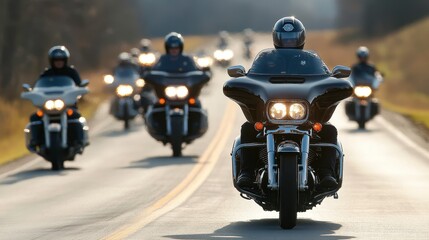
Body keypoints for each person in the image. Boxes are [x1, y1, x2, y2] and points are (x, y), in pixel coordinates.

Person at [236, 17, 339, 190]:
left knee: (328, 130)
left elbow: (326, 77)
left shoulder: (311, 60)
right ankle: (247, 173)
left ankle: (326, 173)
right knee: (249, 128)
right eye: (284, 37)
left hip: (306, 119)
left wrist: (335, 78)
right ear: (277, 38)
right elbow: (251, 77)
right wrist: (242, 77)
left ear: (300, 38)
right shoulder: (265, 59)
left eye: (292, 38)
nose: (288, 41)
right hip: (270, 118)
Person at [29, 46, 84, 151]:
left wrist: (81, 91)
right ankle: (35, 141)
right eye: (56, 61)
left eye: (61, 60)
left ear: (65, 60)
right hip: (47, 107)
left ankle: (78, 141)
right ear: (51, 61)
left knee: (76, 117)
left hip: (68, 106)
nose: (59, 63)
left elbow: (79, 86)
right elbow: (38, 87)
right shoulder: (46, 74)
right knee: (34, 117)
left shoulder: (71, 72)